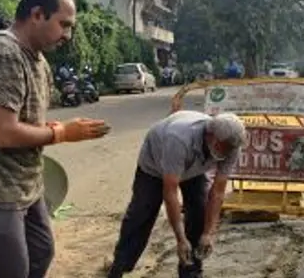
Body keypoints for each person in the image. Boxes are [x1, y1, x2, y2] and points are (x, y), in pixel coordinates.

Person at [0, 0, 111, 278]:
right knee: (11, 271)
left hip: (26, 181)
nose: (68, 35)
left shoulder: (38, 61)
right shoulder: (2, 53)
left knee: (41, 251)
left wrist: (60, 129)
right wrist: (62, 132)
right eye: (64, 24)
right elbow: (4, 134)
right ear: (37, 15)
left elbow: (28, 122)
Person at [105, 111, 246, 278]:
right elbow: (170, 192)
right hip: (155, 167)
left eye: (231, 148)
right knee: (141, 213)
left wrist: (208, 233)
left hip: (194, 169)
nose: (228, 151)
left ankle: (191, 270)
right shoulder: (178, 139)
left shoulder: (232, 146)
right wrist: (180, 239)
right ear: (210, 136)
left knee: (199, 211)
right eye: (224, 146)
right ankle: (120, 266)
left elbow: (218, 192)